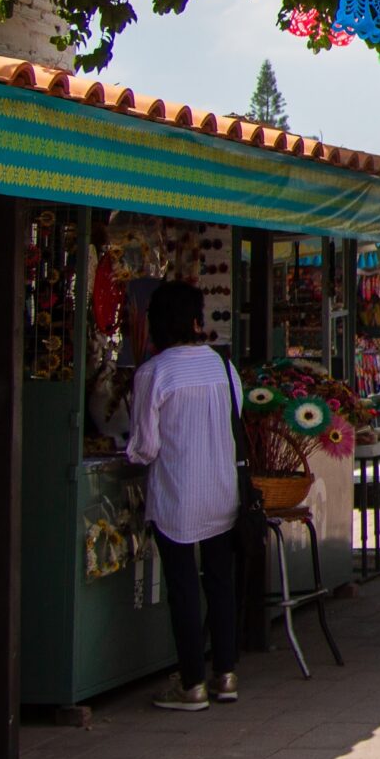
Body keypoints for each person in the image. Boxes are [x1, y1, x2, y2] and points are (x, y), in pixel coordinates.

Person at [126, 281, 245, 713]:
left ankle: (192, 681)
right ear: (196, 319)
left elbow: (145, 446)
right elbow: (236, 419)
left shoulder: (155, 373)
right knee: (219, 582)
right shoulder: (222, 366)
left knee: (182, 587)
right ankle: (226, 673)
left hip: (177, 495)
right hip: (221, 492)